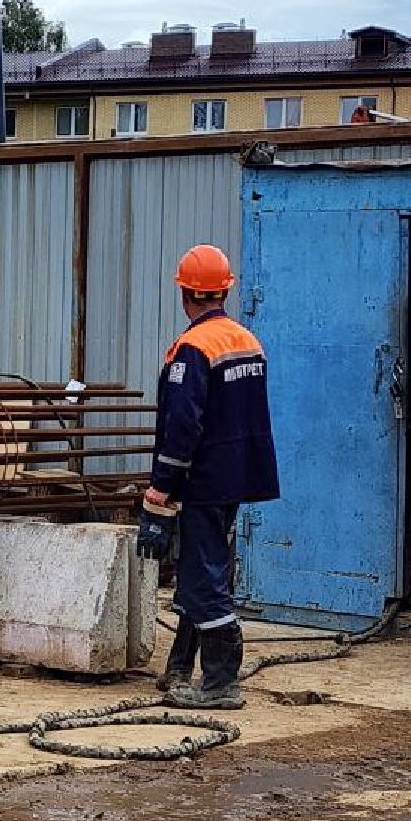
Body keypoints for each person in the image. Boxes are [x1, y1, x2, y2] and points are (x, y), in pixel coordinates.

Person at [136, 244, 280, 711]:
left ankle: (220, 682)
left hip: (202, 481)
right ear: (223, 291)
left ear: (186, 294)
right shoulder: (247, 342)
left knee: (202, 579)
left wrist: (161, 488)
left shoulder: (193, 349)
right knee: (206, 569)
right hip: (235, 479)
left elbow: (182, 425)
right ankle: (179, 666)